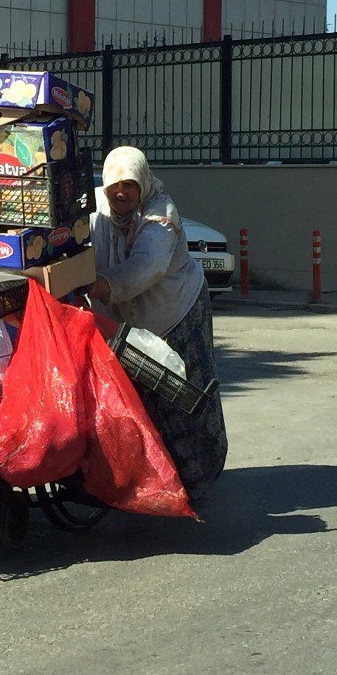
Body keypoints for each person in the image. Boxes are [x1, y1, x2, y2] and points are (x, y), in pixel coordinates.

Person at [87, 145, 227, 502]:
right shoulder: (97, 212)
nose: (122, 193)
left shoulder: (160, 216)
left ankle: (196, 477)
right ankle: (152, 476)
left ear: (144, 185)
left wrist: (101, 286)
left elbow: (145, 269)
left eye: (130, 185)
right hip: (130, 321)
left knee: (185, 395)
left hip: (178, 312)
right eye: (115, 185)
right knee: (140, 398)